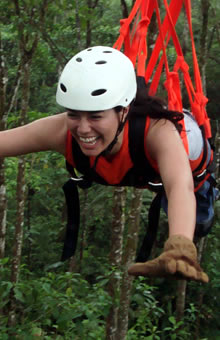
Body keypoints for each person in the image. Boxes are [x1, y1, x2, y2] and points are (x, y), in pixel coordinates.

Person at [0, 46, 214, 283]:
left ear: (123, 112)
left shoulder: (158, 132)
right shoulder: (61, 132)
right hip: (148, 168)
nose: (82, 128)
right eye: (73, 114)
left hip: (189, 163)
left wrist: (180, 244)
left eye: (95, 116)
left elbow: (179, 188)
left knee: (199, 224)